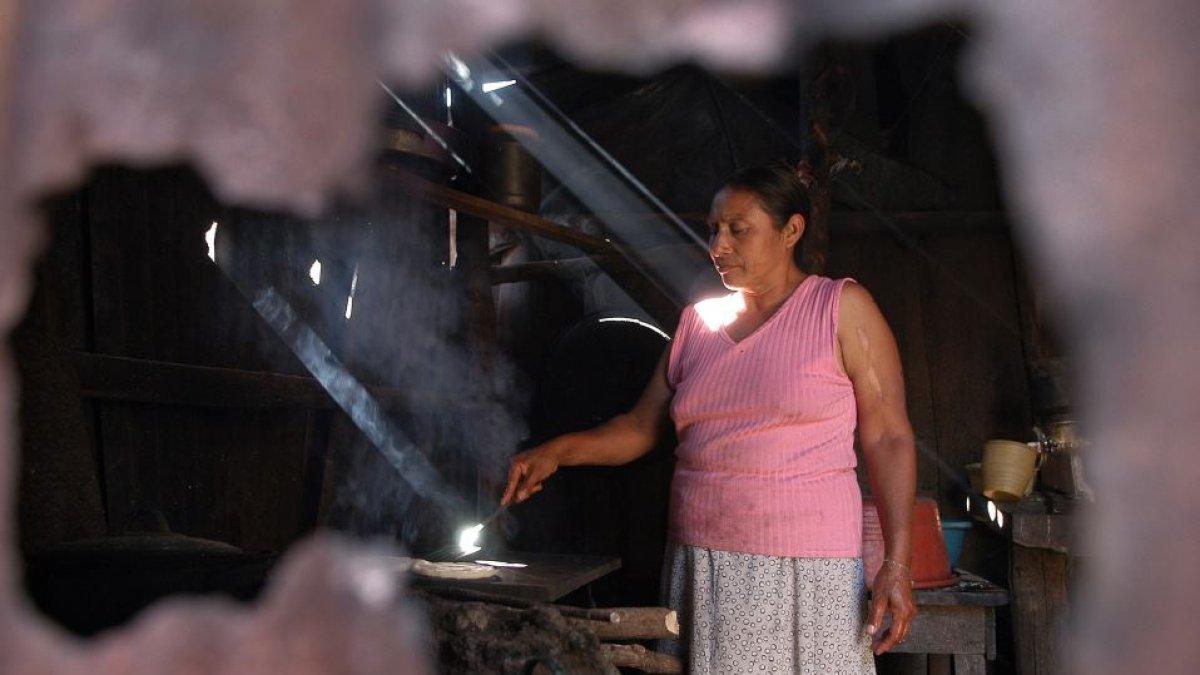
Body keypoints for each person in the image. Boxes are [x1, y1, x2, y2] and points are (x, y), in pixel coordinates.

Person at [501, 164, 917, 673]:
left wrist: (897, 564)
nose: (718, 245)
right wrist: (554, 452)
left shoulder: (840, 308)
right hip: (701, 561)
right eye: (714, 229)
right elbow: (639, 429)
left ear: (791, 230)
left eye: (738, 230)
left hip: (805, 569)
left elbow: (889, 435)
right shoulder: (698, 323)